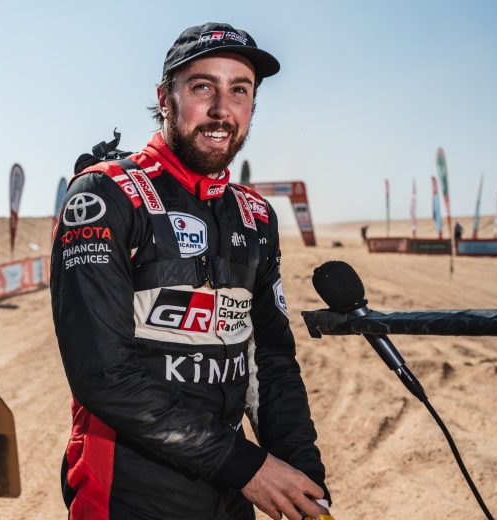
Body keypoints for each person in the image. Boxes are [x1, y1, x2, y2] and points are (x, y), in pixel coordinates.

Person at [51, 22, 330, 520]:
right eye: (203, 87)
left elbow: (271, 360)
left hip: (229, 491)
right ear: (165, 98)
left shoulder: (255, 215)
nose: (222, 109)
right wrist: (247, 467)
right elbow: (103, 374)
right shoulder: (105, 195)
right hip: (129, 493)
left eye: (240, 91)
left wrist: (303, 474)